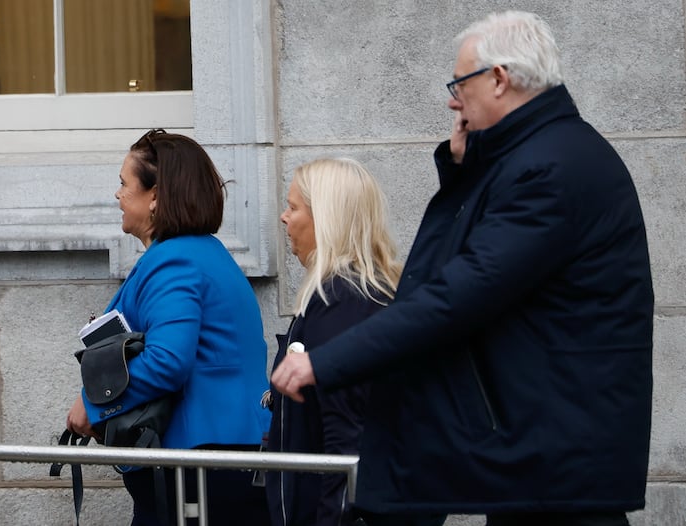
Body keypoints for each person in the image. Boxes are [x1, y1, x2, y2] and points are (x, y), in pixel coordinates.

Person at [271, 11, 653, 526]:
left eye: (461, 83)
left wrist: (324, 361)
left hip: (557, 455)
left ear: (499, 79)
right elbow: (454, 271)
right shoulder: (543, 156)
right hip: (547, 453)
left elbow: (457, 292)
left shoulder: (551, 168)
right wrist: (462, 171)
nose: (454, 99)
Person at [66, 129, 271, 526]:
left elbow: (167, 360)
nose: (118, 194)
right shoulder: (202, 253)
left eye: (125, 184)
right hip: (219, 461)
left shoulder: (174, 260)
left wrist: (93, 404)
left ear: (155, 196)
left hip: (198, 470)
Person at [265, 158, 402, 526]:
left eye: (293, 206)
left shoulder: (341, 297)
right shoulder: (358, 292)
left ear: (325, 217)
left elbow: (346, 434)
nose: (284, 217)